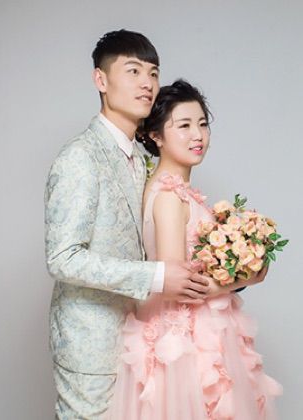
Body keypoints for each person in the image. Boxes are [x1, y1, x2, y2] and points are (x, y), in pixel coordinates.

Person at [44, 30, 214, 419]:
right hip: (92, 344)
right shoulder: (79, 158)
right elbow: (63, 258)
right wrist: (157, 276)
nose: (147, 83)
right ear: (100, 80)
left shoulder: (141, 156)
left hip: (141, 340)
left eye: (153, 73)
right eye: (133, 71)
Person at [106, 80, 282, 419]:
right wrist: (244, 280)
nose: (198, 135)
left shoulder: (176, 191)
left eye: (202, 124)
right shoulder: (170, 197)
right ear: (155, 136)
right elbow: (177, 285)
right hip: (182, 341)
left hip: (196, 331)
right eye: (184, 125)